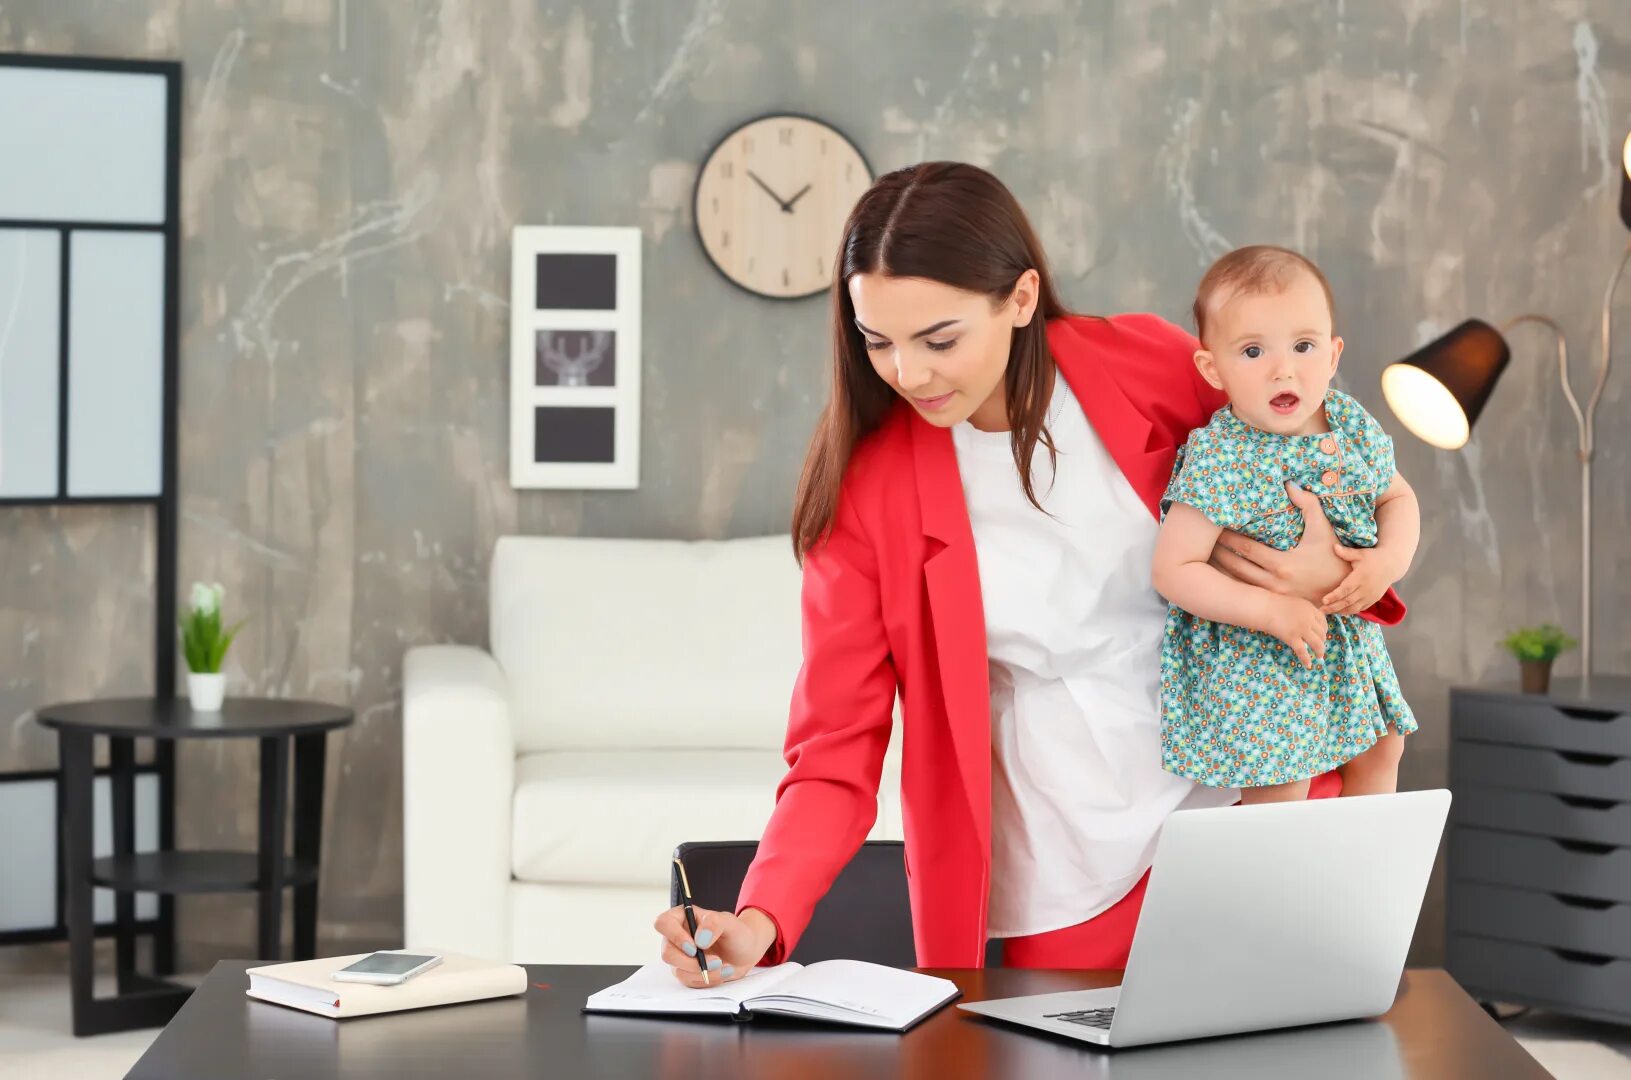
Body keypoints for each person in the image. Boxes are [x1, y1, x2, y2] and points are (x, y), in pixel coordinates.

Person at [652, 163, 1406, 987]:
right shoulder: (865, 500)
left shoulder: (1147, 363)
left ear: (1019, 299)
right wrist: (760, 918)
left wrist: (1328, 567)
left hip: (1262, 797)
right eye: (878, 342)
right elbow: (834, 751)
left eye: (938, 339)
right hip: (1074, 872)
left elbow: (1329, 469)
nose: (908, 373)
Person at [1152, 246, 1420, 803]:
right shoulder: (1223, 455)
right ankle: (1282, 887)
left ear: (1332, 353)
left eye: (1303, 346)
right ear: (1212, 369)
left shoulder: (1347, 422)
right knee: (1283, 780)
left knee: (1384, 744)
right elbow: (1174, 568)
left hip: (1344, 636)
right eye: (1253, 351)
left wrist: (1386, 562)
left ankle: (1361, 877)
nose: (1284, 368)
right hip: (1260, 654)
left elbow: (1397, 496)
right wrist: (1269, 609)